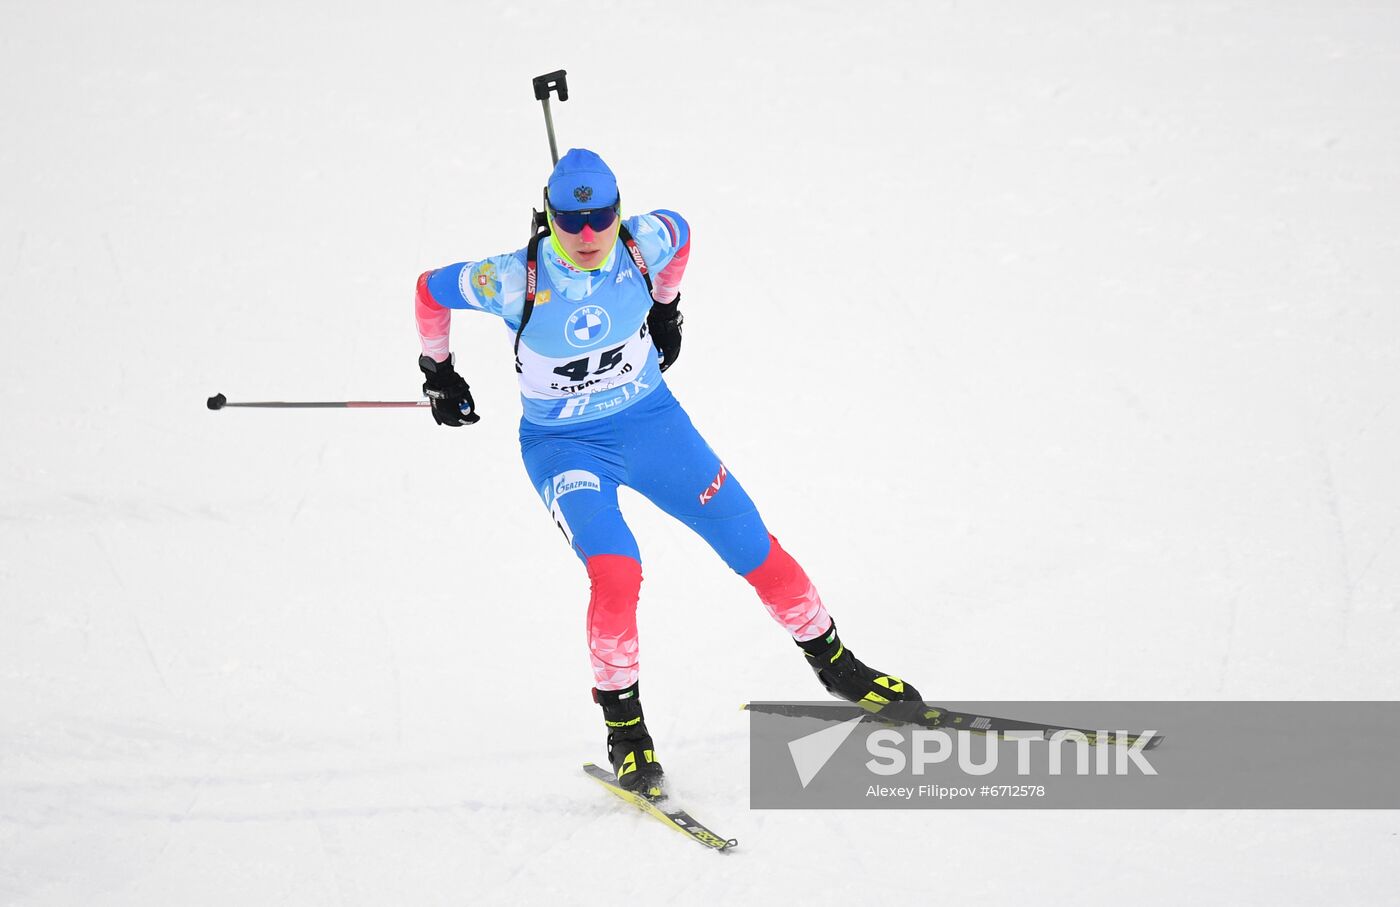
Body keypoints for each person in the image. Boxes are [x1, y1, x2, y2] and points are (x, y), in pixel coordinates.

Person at [414, 148, 921, 796]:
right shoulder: (511, 280)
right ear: (549, 216)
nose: (590, 235)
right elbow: (430, 288)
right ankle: (626, 733)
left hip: (652, 424)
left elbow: (681, 230)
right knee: (617, 572)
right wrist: (438, 369)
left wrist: (665, 305)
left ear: (618, 209)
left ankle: (837, 665)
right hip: (565, 447)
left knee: (751, 543)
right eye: (573, 221)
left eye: (601, 217)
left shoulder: (643, 241)